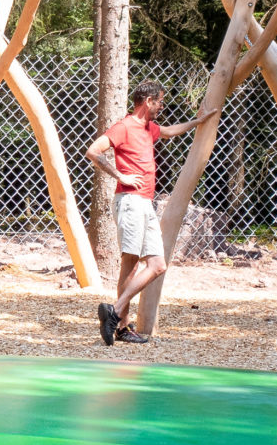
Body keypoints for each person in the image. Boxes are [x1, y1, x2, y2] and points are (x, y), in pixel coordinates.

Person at [86, 82, 218, 344]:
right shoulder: (124, 126)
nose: (162, 107)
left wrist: (198, 121)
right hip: (130, 201)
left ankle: (115, 312)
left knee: (157, 265)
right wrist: (120, 175)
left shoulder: (149, 128)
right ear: (148, 101)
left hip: (144, 203)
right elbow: (93, 151)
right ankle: (121, 325)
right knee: (131, 264)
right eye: (159, 102)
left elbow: (169, 131)